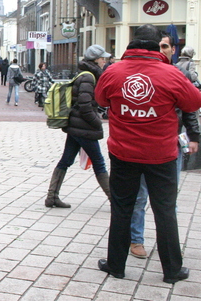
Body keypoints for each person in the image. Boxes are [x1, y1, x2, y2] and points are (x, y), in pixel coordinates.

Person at [95, 24, 201, 284]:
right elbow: (193, 102)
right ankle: (172, 270)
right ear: (158, 45)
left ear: (133, 42)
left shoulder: (113, 71)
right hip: (161, 155)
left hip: (123, 152)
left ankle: (116, 265)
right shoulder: (172, 73)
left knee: (121, 208)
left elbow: (101, 100)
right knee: (165, 210)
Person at [128, 34, 200, 259]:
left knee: (168, 199)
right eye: (158, 46)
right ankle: (136, 239)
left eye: (165, 46)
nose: (161, 50)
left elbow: (189, 107)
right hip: (139, 144)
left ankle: (167, 243)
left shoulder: (179, 74)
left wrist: (194, 135)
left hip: (170, 143)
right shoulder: (137, 74)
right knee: (139, 197)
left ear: (172, 50)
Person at [45, 45, 111, 208]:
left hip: (75, 125)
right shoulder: (89, 77)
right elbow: (85, 105)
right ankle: (115, 200)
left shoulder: (84, 74)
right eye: (103, 58)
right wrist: (97, 124)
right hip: (83, 127)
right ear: (96, 60)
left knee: (66, 160)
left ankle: (52, 197)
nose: (105, 61)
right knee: (99, 162)